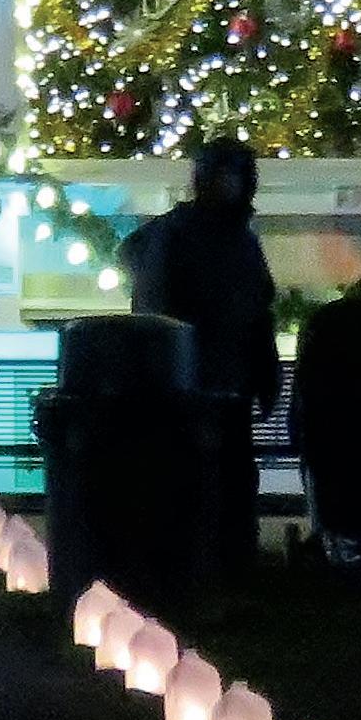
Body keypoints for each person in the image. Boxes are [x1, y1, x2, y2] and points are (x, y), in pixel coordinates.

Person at [124, 135, 283, 566]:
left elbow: (257, 310)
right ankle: (197, 557)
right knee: (196, 475)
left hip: (225, 382)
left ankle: (229, 556)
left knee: (231, 474)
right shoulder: (177, 236)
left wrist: (264, 370)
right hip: (191, 385)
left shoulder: (237, 240)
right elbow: (161, 315)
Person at [288, 279, 361, 565]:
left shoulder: (325, 326)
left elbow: (302, 399)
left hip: (327, 437)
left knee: (315, 455)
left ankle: (323, 534)